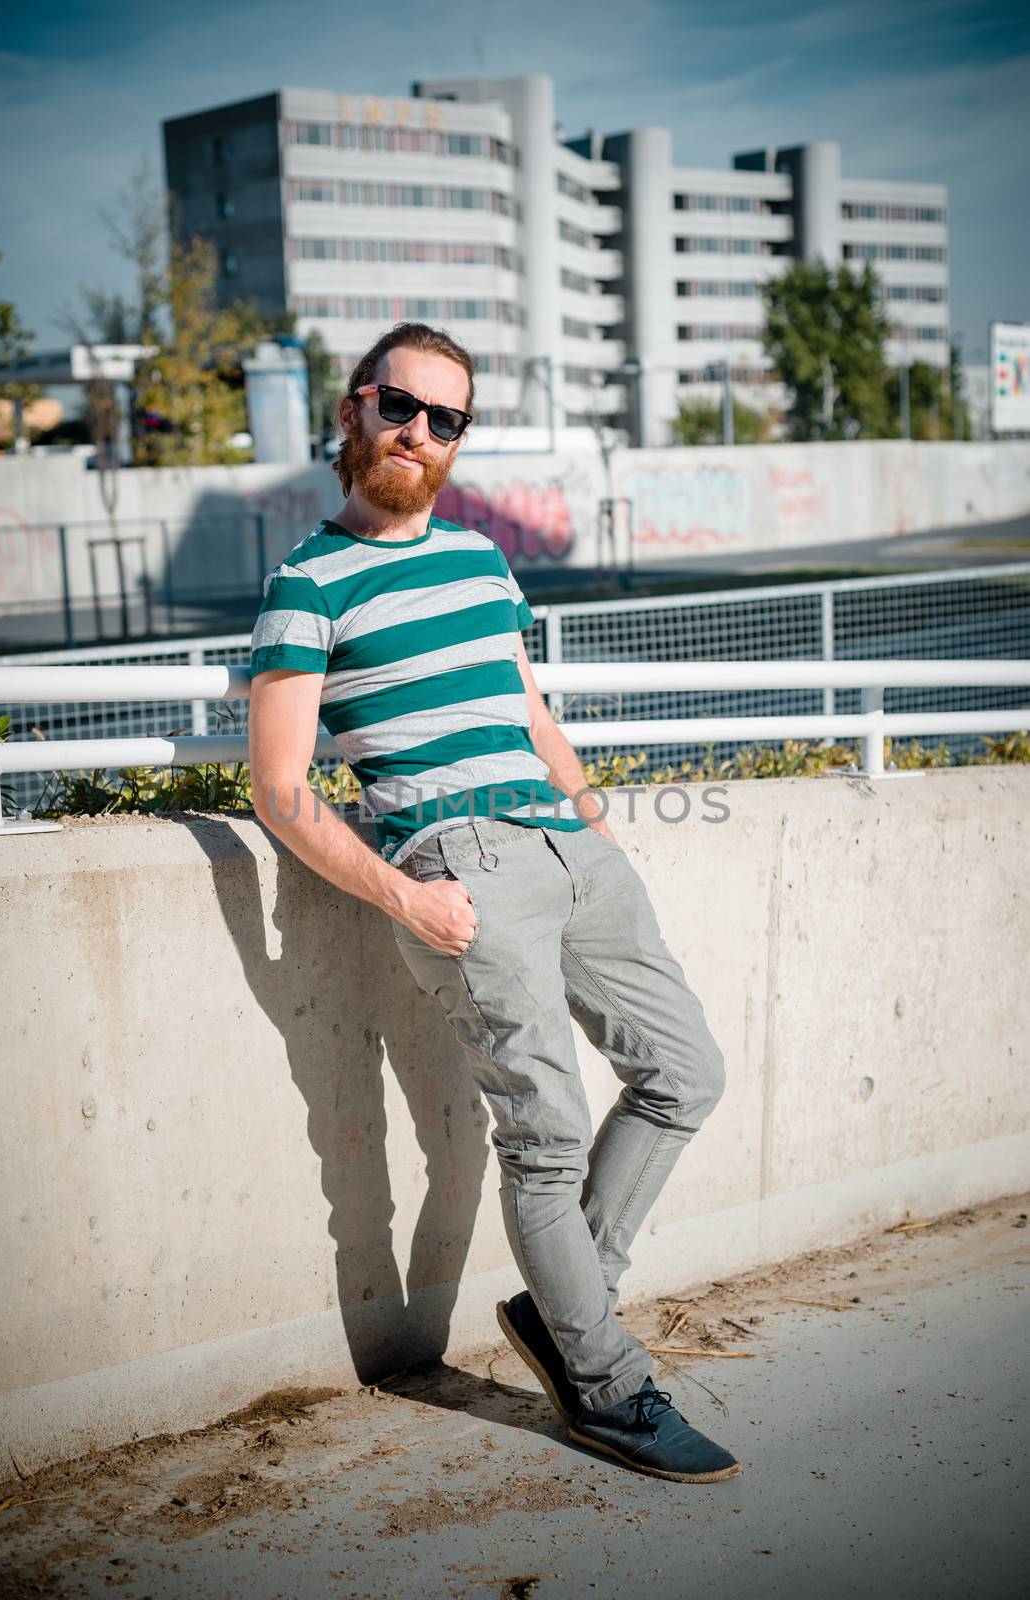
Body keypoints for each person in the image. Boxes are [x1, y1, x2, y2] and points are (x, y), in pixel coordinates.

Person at [247, 321, 740, 1484]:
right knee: (549, 1135)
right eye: (401, 406)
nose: (420, 433)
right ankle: (607, 1385)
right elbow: (278, 788)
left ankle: (569, 1312)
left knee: (687, 1071)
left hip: (572, 850)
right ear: (356, 408)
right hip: (455, 862)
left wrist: (588, 808)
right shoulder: (307, 581)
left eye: (447, 419)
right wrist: (406, 899)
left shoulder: (480, 561)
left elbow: (523, 701)